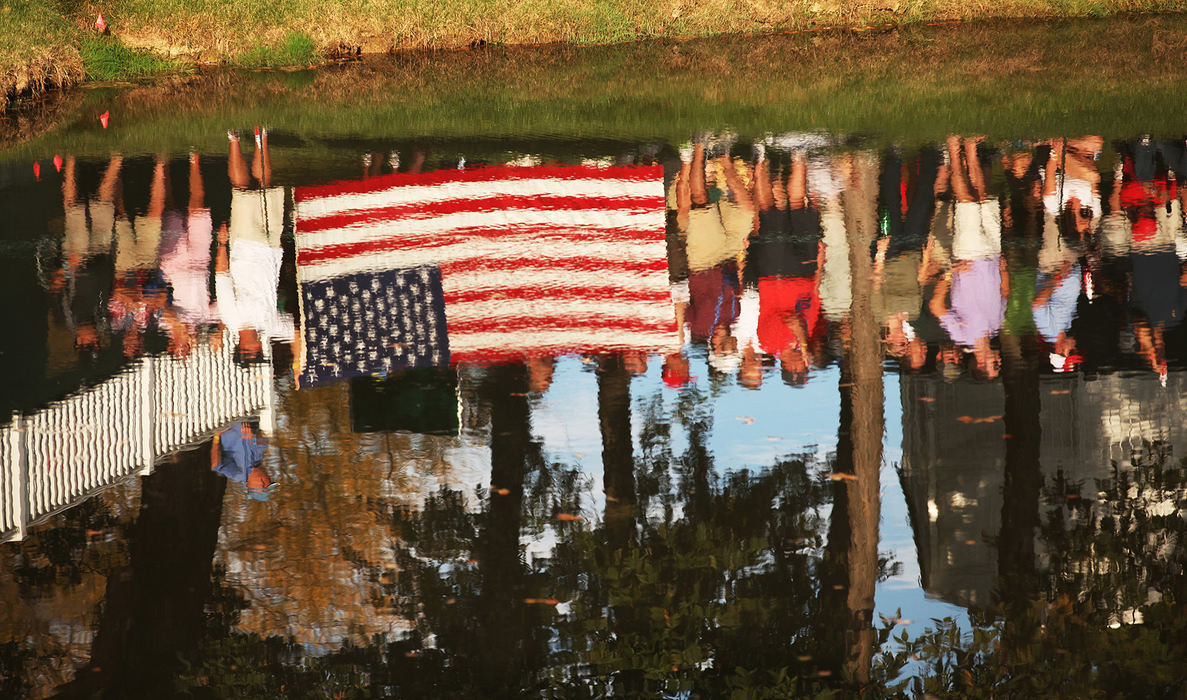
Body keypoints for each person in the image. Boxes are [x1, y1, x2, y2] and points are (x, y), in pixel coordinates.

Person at [210, 421, 275, 500]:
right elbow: (263, 438)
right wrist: (254, 438)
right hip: (245, 417)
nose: (270, 476)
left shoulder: (239, 474)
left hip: (226, 423)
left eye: (269, 480)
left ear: (261, 483)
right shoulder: (257, 459)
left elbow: (216, 465)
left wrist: (216, 437)